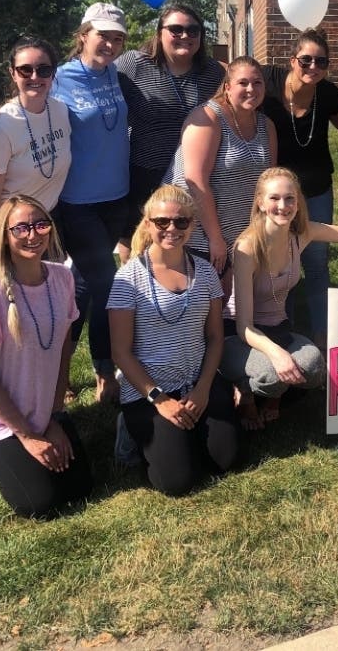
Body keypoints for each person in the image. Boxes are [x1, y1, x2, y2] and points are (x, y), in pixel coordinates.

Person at [222, 168, 338, 428]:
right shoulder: (247, 247)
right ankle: (244, 391)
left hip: (279, 330)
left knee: (315, 368)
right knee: (272, 374)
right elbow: (244, 327)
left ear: (298, 203)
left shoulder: (301, 234)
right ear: (260, 203)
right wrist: (278, 355)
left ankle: (274, 397)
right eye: (274, 198)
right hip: (239, 337)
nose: (283, 206)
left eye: (290, 199)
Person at [0, 196, 92, 517]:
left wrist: (54, 417)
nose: (33, 235)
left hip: (42, 409)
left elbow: (63, 351)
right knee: (39, 503)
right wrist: (28, 436)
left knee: (81, 487)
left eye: (40, 225)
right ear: (4, 235)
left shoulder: (62, 277)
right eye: (21, 228)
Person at [108, 185, 240, 496]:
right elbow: (120, 352)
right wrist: (159, 399)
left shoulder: (206, 273)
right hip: (149, 391)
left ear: (193, 225)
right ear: (148, 223)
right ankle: (129, 429)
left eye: (181, 222)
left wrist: (204, 389)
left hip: (196, 382)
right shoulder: (128, 278)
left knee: (229, 459)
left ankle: (187, 433)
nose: (172, 229)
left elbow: (215, 337)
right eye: (162, 222)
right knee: (177, 483)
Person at [51, 2, 131, 404]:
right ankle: (103, 370)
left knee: (84, 285)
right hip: (77, 201)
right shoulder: (58, 79)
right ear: (83, 35)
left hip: (117, 198)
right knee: (106, 284)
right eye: (103, 35)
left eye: (118, 37)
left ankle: (60, 370)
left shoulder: (118, 72)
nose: (111, 44)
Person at [116, 3, 225, 254]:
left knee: (184, 244)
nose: (185, 36)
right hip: (143, 172)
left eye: (193, 30)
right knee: (136, 242)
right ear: (159, 33)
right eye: (176, 30)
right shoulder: (134, 64)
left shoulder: (213, 73)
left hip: (193, 176)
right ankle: (134, 289)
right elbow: (98, 88)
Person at [260, 30, 338, 346]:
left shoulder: (329, 95)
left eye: (321, 61)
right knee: (280, 262)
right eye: (306, 59)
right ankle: (286, 330)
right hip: (279, 194)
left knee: (316, 261)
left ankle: (322, 334)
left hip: (317, 189)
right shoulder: (268, 82)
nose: (313, 66)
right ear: (292, 60)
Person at [170, 56, 277, 289]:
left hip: (243, 233)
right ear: (228, 87)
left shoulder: (266, 125)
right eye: (243, 83)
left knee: (236, 312)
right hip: (199, 233)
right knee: (207, 309)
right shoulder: (208, 118)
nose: (251, 89)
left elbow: (271, 184)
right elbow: (196, 182)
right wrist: (215, 239)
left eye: (257, 83)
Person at [0, 36, 71, 247]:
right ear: (12, 73)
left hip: (49, 223)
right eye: (25, 70)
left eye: (44, 69)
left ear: (53, 72)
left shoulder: (61, 111)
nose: (35, 76)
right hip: (12, 229)